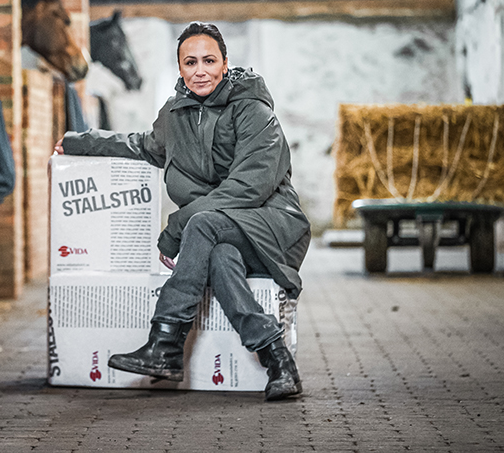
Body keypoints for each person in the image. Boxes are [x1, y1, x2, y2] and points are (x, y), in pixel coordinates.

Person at [54, 22, 311, 401]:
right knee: (221, 257)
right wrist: (81, 141)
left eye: (209, 60)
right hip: (222, 233)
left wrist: (176, 226)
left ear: (225, 64)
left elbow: (250, 186)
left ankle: (166, 342)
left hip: (273, 225)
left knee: (201, 224)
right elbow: (143, 145)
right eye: (190, 62)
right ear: (180, 69)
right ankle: (279, 360)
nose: (200, 70)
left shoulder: (254, 112)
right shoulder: (176, 113)